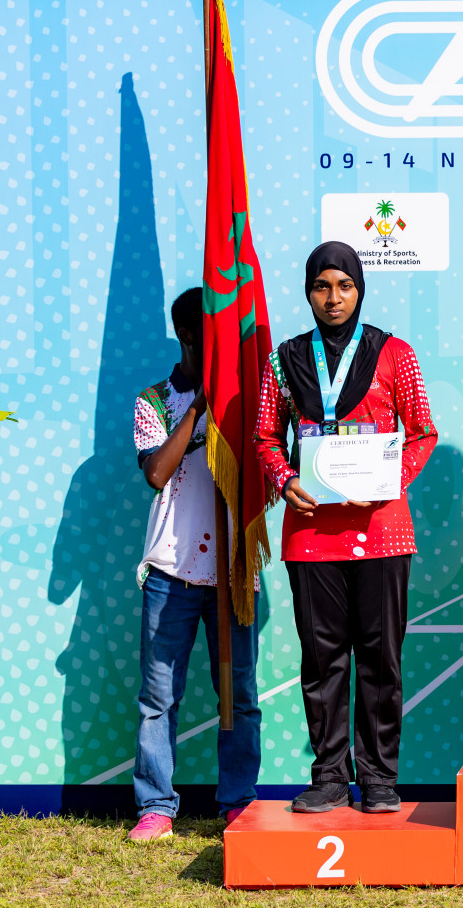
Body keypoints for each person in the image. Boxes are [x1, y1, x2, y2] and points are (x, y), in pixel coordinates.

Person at [254, 242, 438, 813]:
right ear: (308, 292)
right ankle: (330, 776)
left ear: (360, 289)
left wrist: (389, 481)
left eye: (344, 287)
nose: (333, 299)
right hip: (310, 534)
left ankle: (380, 778)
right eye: (321, 287)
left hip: (382, 528)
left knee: (381, 658)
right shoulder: (283, 360)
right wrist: (285, 480)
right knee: (322, 659)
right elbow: (264, 437)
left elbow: (423, 432)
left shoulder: (395, 353)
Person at [127, 287, 260, 842]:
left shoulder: (244, 399)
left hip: (231, 572)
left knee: (241, 695)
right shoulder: (154, 401)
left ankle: (238, 801)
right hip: (169, 574)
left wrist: (231, 405)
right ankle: (156, 805)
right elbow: (157, 473)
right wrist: (201, 407)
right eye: (210, 340)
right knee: (159, 697)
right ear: (187, 338)